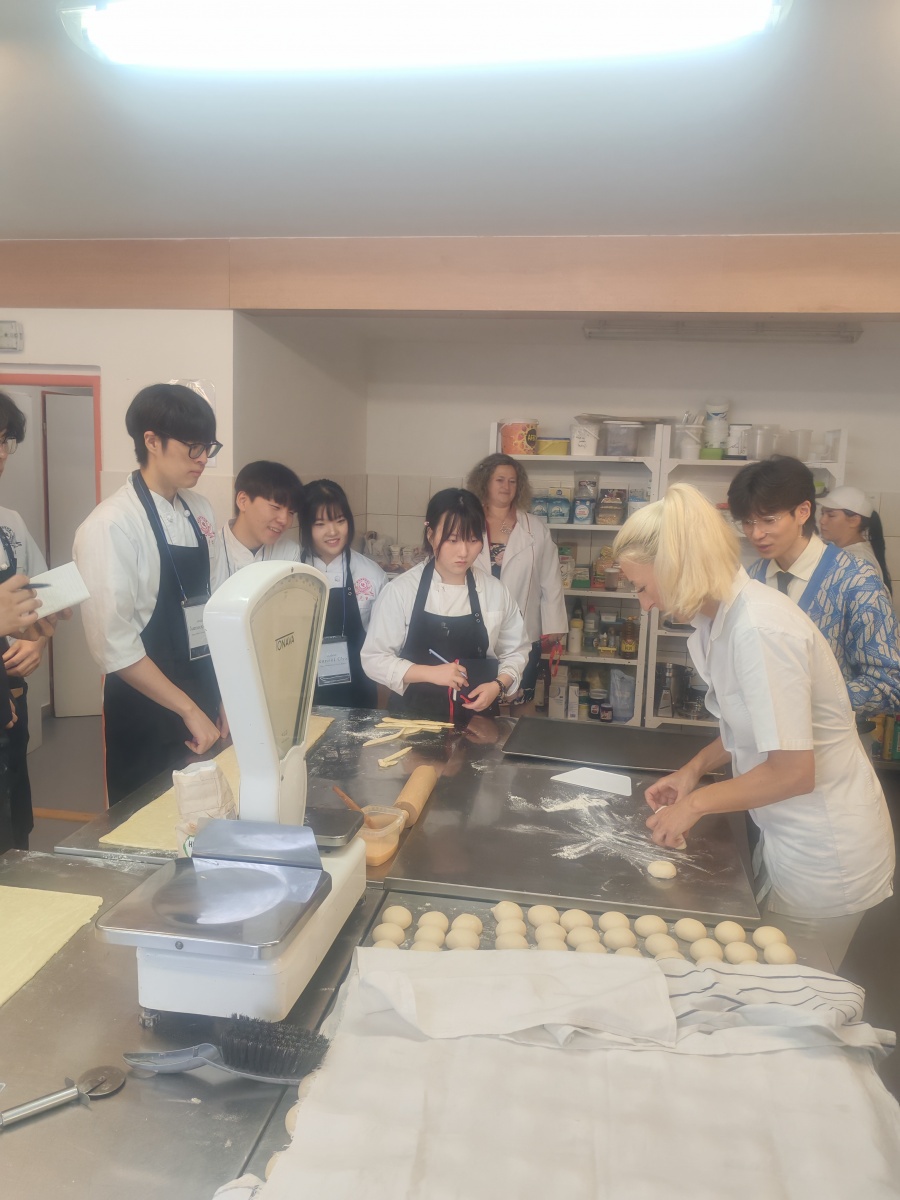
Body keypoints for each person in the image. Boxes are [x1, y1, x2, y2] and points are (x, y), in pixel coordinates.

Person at [613, 484, 894, 969]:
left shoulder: (761, 630)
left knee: (797, 996)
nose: (645, 604)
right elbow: (751, 724)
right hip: (785, 833)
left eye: (642, 587)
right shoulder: (715, 623)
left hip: (824, 849)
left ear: (676, 568)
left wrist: (693, 806)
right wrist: (692, 771)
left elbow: (793, 772)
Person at [74, 383, 226, 804]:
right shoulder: (111, 525)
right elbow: (113, 645)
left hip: (203, 694)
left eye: (208, 448)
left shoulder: (200, 510)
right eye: (193, 447)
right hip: (146, 711)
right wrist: (188, 709)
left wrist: (222, 698)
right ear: (152, 441)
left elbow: (213, 608)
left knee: (208, 821)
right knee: (147, 826)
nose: (202, 459)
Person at [727, 457, 900, 714]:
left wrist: (805, 700)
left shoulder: (857, 582)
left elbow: (888, 686)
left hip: (829, 735)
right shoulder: (752, 579)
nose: (756, 534)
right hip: (762, 733)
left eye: (768, 520)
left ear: (803, 512)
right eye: (747, 522)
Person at [361, 488, 529, 722]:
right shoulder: (401, 591)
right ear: (431, 535)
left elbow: (516, 651)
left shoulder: (495, 591)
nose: (464, 552)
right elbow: (374, 659)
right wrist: (431, 673)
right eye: (453, 540)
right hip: (412, 723)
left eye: (473, 540)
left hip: (478, 723)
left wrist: (498, 685)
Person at [467, 453, 567, 703]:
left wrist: (554, 624)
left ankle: (519, 730)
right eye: (499, 480)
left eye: (512, 481)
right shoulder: (468, 522)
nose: (506, 486)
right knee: (480, 697)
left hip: (523, 627)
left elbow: (551, 577)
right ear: (484, 482)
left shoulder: (534, 527)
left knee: (521, 697)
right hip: (476, 625)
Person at [0, 391, 51, 849]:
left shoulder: (10, 523)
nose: (1, 453)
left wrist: (37, 641)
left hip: (10, 700)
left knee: (15, 828)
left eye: (5, 441)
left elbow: (45, 599)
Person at [300, 479, 387, 709]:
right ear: (305, 526)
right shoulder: (291, 573)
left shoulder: (371, 574)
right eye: (320, 524)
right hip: (301, 694)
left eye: (340, 521)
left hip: (358, 693)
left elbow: (382, 644)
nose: (333, 532)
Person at [211, 460, 303, 590]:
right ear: (243, 501)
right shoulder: (210, 551)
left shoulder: (288, 552)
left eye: (291, 512)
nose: (284, 520)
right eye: (276, 507)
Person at [818, 485, 892, 592]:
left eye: (831, 515)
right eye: (822, 513)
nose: (822, 520)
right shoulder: (841, 550)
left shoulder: (860, 562)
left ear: (854, 521)